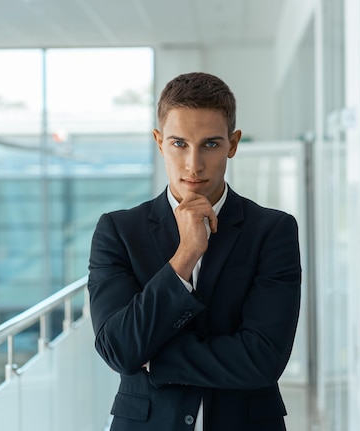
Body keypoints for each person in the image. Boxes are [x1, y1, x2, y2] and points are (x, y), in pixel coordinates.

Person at [87, 72, 302, 431]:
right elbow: (119, 349)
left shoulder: (272, 230)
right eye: (179, 144)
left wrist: (154, 360)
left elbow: (263, 359)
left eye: (211, 145)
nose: (193, 164)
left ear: (233, 144)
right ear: (159, 142)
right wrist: (185, 256)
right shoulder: (119, 231)